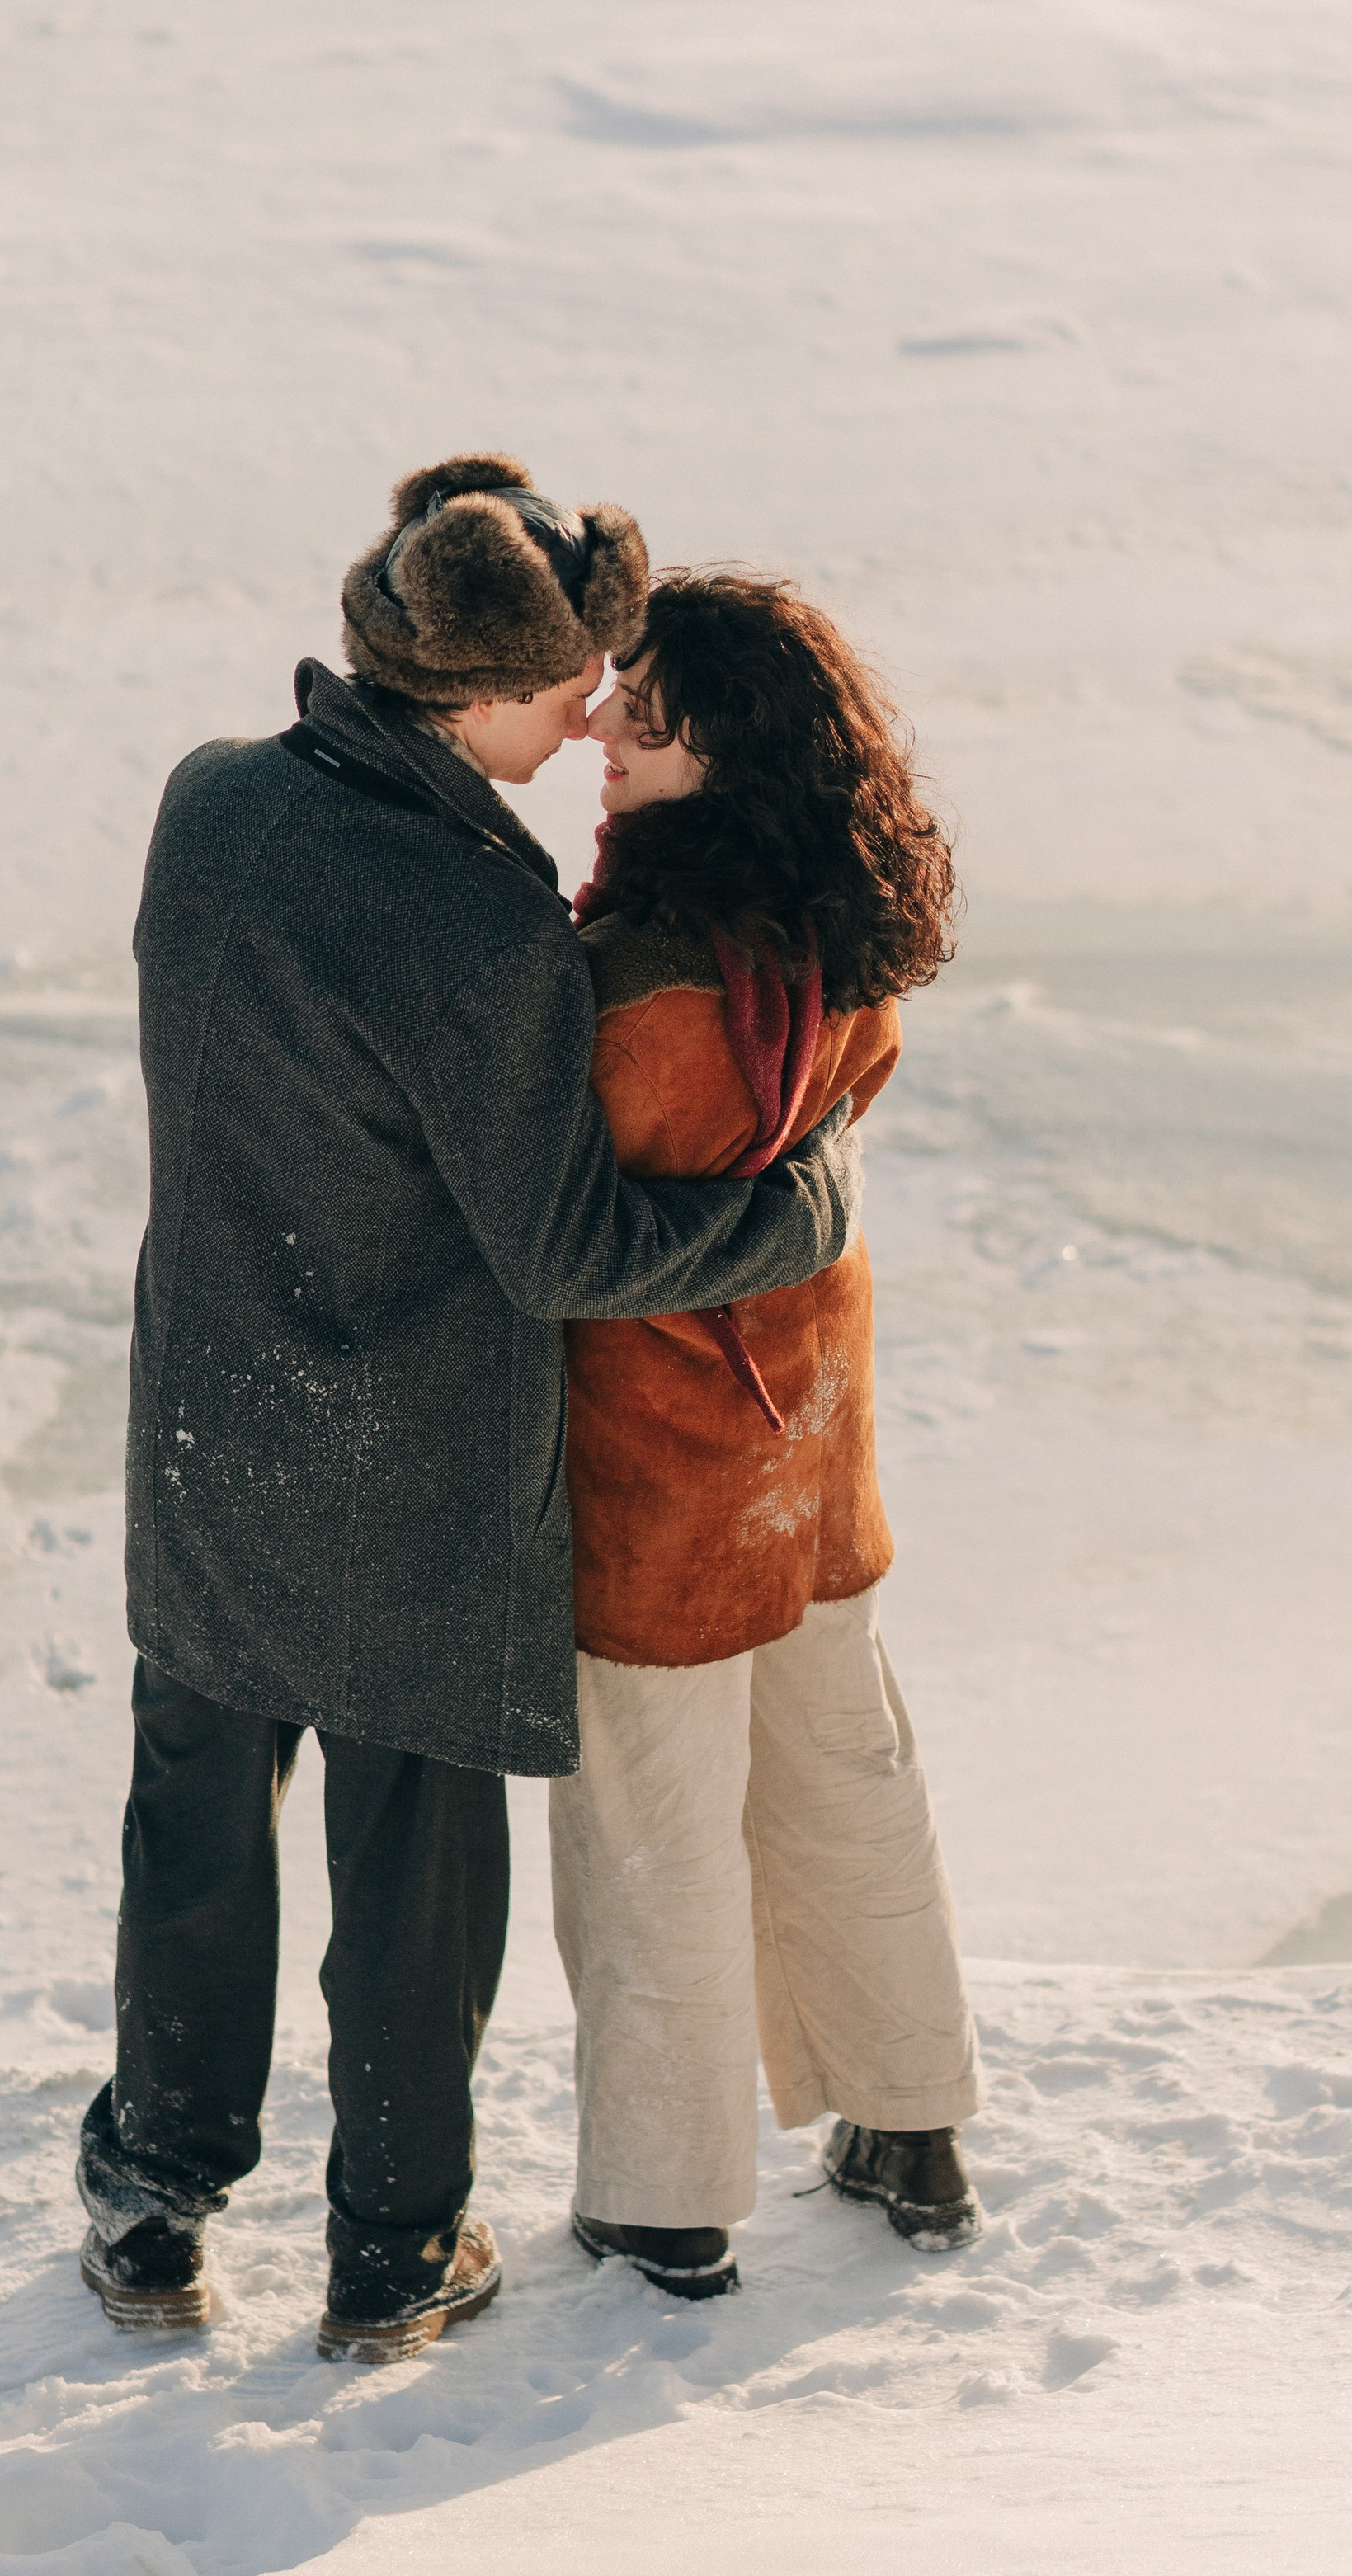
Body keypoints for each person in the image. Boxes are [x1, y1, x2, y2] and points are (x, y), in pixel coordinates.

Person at [76, 459, 865, 2362]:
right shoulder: (482, 927)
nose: (597, 709)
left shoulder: (212, 803)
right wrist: (787, 1207)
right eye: (574, 684)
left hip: (210, 1414)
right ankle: (393, 2245)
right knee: (410, 1868)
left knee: (196, 1815)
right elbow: (565, 1246)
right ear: (479, 694)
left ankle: (151, 2202)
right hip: (409, 1455)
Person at [551, 569, 982, 2301]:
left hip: (660, 1477)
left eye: (639, 713)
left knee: (652, 1822)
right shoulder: (844, 938)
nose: (599, 731)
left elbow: (564, 1223)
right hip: (811, 1442)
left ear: (716, 750)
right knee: (842, 1774)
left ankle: (661, 2195)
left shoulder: (625, 994)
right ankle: (910, 2121)